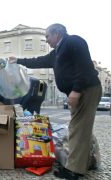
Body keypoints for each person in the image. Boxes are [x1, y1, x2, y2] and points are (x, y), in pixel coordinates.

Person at [9, 23, 102, 179]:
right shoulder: (56, 53)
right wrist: (17, 60)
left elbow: (84, 67)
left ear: (57, 34)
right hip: (80, 91)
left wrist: (76, 90)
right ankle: (75, 166)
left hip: (87, 90)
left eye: (47, 36)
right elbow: (38, 61)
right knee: (76, 129)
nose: (46, 40)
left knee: (79, 129)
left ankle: (75, 171)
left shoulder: (74, 41)